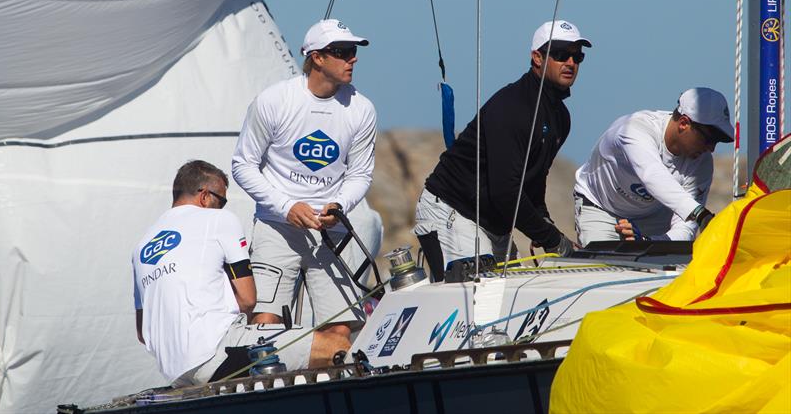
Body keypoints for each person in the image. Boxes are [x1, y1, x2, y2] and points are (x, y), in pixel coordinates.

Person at [132, 160, 349, 386]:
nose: (222, 207)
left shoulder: (141, 246)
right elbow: (247, 299)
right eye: (222, 200)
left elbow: (142, 333)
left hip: (177, 375)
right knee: (335, 345)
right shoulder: (219, 219)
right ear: (204, 196)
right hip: (217, 353)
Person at [232, 19, 376, 340]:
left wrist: (338, 205)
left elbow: (360, 173)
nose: (352, 58)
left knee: (340, 330)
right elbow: (243, 165)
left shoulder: (362, 109)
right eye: (342, 51)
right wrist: (286, 207)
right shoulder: (274, 100)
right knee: (265, 327)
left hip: (331, 229)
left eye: (353, 51)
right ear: (317, 58)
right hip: (276, 226)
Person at [413, 20, 591, 278]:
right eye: (561, 54)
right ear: (537, 58)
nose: (571, 63)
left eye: (577, 56)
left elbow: (533, 179)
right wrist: (553, 239)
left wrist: (543, 222)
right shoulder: (513, 108)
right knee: (479, 298)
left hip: (494, 222)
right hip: (453, 210)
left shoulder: (560, 117)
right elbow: (505, 192)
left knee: (511, 297)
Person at [574, 87, 734, 244]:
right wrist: (700, 213)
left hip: (654, 215)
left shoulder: (702, 162)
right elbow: (652, 175)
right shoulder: (634, 129)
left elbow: (685, 229)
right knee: (604, 267)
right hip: (601, 208)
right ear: (684, 123)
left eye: (717, 141)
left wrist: (647, 242)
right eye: (709, 138)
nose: (711, 148)